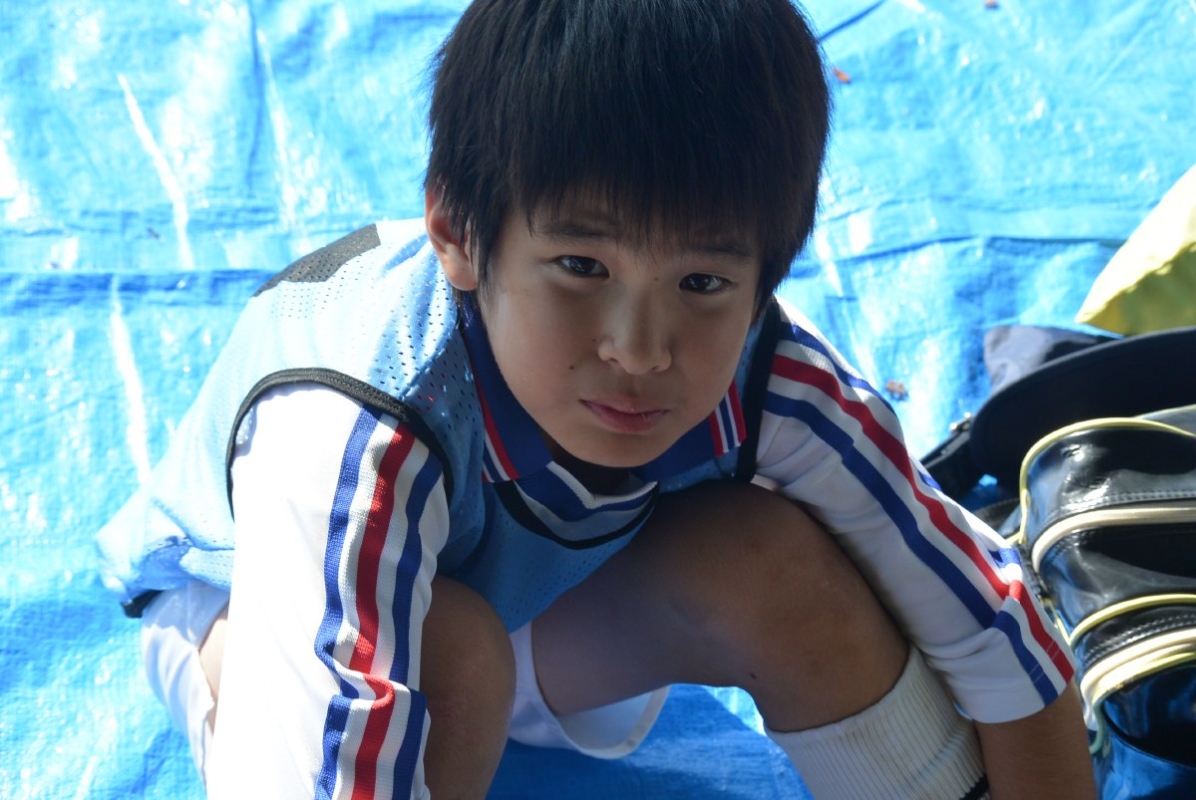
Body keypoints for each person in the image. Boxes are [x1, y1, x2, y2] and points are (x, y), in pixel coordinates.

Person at [96, 1, 1097, 797]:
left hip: (533, 599)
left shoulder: (770, 379)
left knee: (769, 562)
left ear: (764, 281)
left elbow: (991, 623)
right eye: (581, 266)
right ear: (455, 234)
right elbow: (317, 767)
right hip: (247, 603)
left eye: (701, 282)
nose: (639, 349)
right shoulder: (357, 422)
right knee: (456, 655)